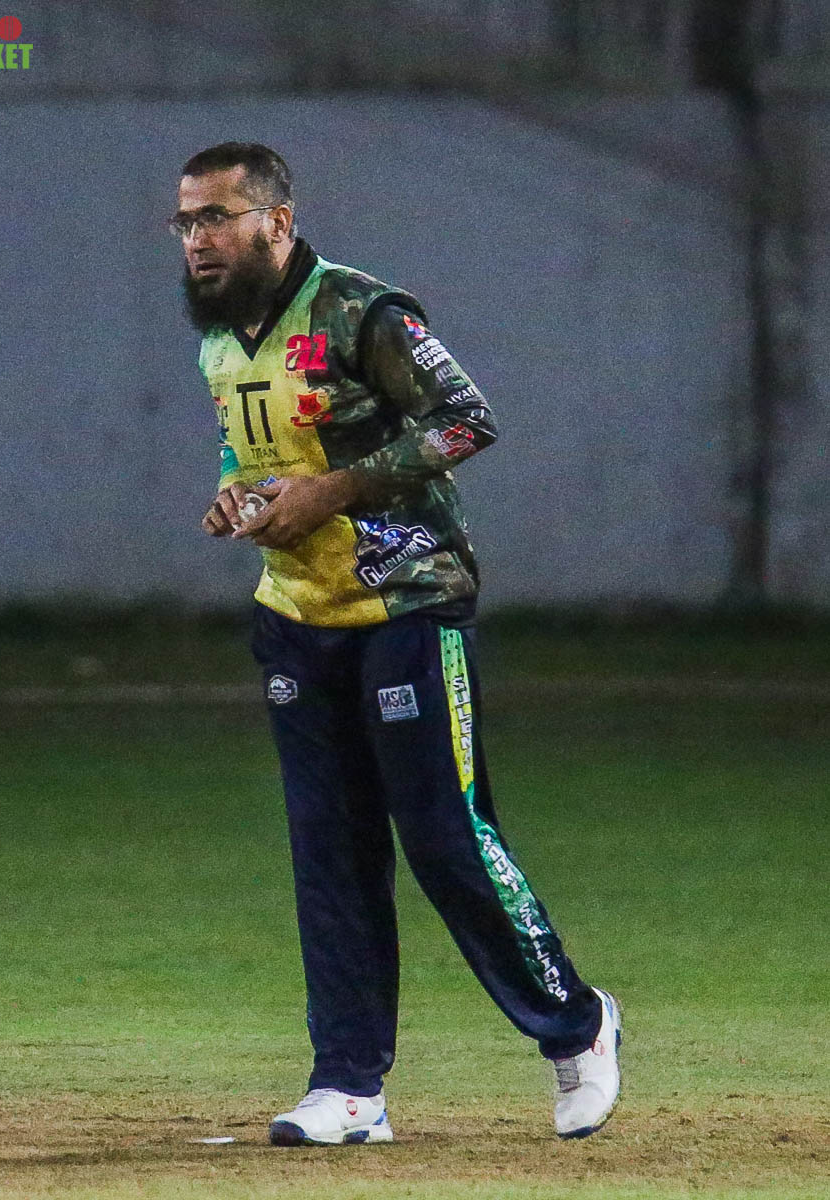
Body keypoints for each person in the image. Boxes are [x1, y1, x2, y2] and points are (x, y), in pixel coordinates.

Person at [173, 141, 621, 1146]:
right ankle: (348, 1087)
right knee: (329, 856)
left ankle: (577, 1025)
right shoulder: (219, 335)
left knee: (445, 839)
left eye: (216, 217)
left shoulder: (359, 311)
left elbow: (466, 421)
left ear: (276, 222)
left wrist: (333, 490)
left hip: (406, 606)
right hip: (297, 617)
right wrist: (235, 497)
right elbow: (251, 448)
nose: (197, 239)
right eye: (186, 221)